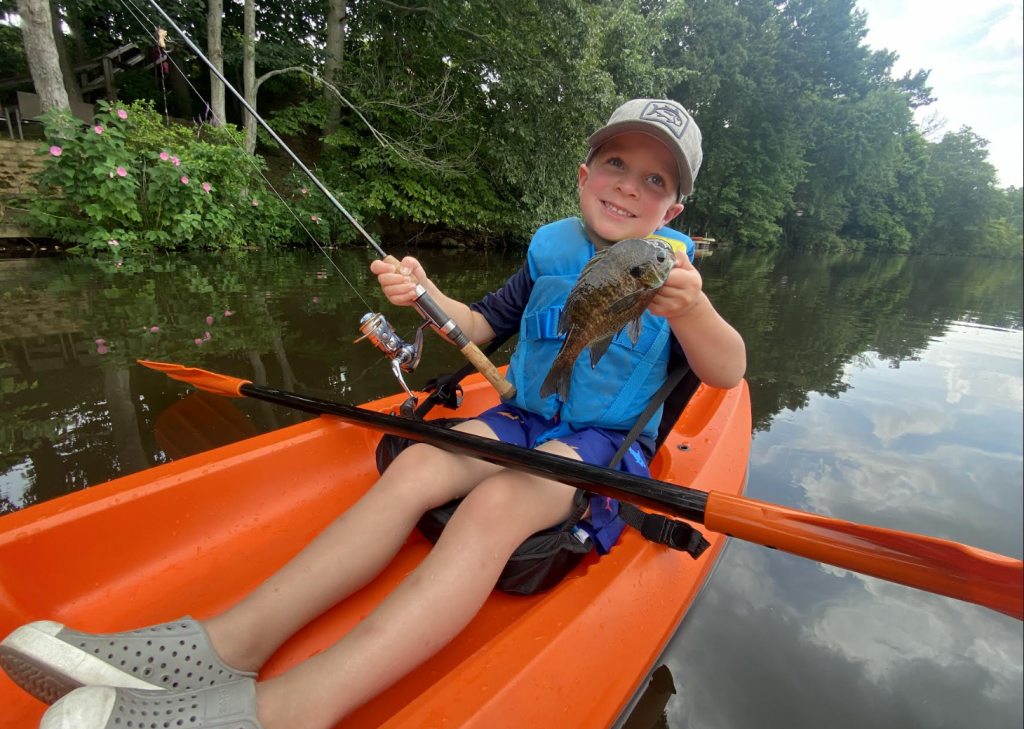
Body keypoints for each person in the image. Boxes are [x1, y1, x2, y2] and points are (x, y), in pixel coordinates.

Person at [1, 98, 746, 729]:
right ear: (584, 173)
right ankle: (226, 644)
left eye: (653, 180)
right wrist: (424, 292)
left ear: (671, 210)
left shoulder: (670, 272)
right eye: (615, 163)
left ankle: (285, 709)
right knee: (420, 460)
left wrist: (698, 310)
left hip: (599, 447)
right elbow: (484, 322)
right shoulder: (550, 248)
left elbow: (726, 369)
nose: (627, 186)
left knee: (493, 508)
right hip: (526, 416)